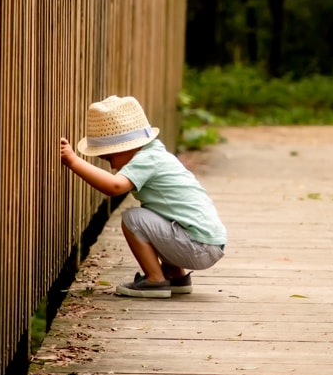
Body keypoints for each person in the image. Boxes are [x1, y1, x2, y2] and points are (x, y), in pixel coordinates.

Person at [60, 95, 227, 298]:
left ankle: (155, 280)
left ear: (127, 146)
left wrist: (73, 162)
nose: (112, 166)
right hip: (207, 243)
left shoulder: (146, 160)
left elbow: (114, 186)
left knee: (133, 219)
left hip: (198, 247)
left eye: (110, 157)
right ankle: (175, 276)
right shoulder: (156, 154)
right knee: (156, 213)